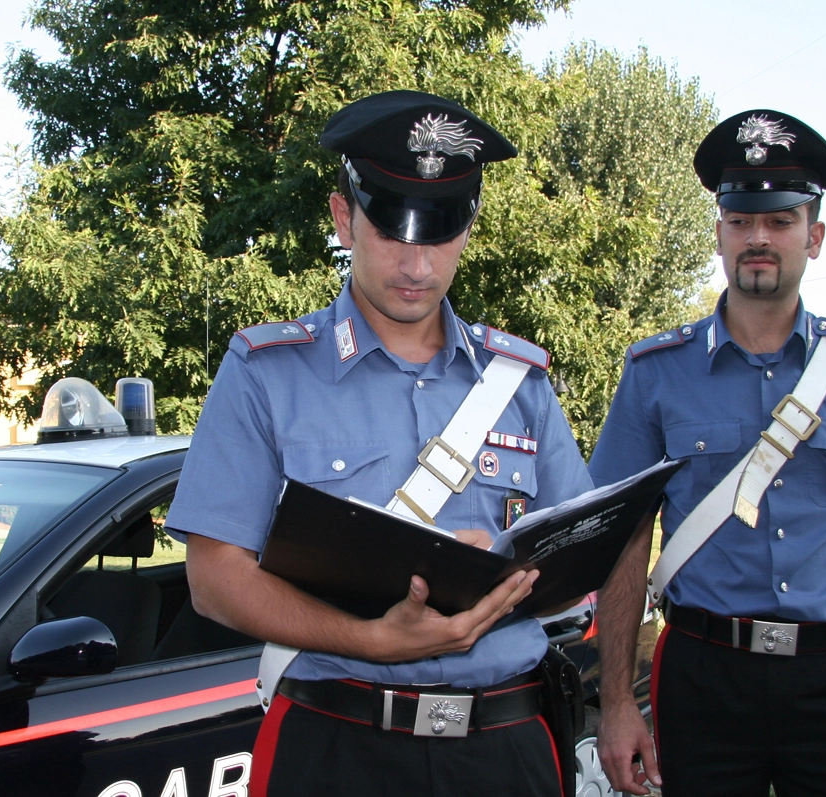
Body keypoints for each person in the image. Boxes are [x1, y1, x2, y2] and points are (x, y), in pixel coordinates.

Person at [164, 90, 595, 797]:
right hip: (338, 747)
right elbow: (214, 581)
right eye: (393, 230)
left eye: (439, 233)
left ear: (468, 227)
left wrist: (502, 572)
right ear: (344, 218)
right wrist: (368, 638)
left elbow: (574, 562)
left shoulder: (519, 381)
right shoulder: (266, 371)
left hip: (503, 749)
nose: (417, 264)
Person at [588, 109, 826, 797]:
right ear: (718, 235)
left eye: (780, 220)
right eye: (739, 221)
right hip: (703, 678)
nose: (757, 238)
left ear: (813, 237)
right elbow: (623, 542)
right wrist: (616, 701)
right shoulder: (655, 372)